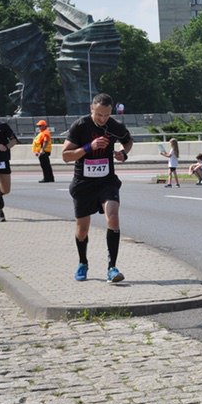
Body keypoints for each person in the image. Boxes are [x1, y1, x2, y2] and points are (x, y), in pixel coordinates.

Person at [61, 93, 134, 283]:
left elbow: (128, 141)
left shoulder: (114, 126)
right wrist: (89, 147)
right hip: (83, 183)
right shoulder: (80, 125)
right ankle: (83, 262)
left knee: (113, 217)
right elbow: (66, 156)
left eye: (107, 115)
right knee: (82, 230)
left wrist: (123, 154)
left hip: (106, 181)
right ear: (91, 109)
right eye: (99, 114)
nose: (103, 119)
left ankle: (112, 268)